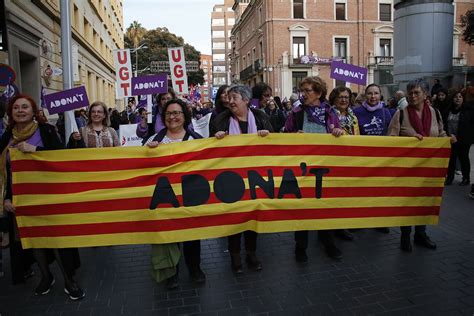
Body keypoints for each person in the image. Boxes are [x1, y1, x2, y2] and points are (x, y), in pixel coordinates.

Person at [0, 94, 84, 299]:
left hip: (50, 197)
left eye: (25, 107)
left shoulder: (46, 130)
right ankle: (46, 276)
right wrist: (5, 199)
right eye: (16, 107)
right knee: (33, 240)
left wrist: (35, 150)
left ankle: (69, 281)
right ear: (11, 112)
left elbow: (60, 159)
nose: (20, 110)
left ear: (33, 111)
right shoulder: (6, 137)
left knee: (56, 239)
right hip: (21, 199)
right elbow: (4, 172)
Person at [210, 84, 273, 274]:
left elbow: (275, 141)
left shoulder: (261, 118)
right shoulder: (220, 120)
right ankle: (235, 257)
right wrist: (216, 138)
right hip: (231, 178)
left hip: (256, 177)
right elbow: (209, 148)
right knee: (234, 216)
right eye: (228, 98)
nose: (230, 101)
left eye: (234, 97)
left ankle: (251, 253)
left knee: (253, 215)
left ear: (246, 100)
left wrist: (266, 135)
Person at [144, 99, 205, 289]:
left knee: (192, 236)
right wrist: (147, 153)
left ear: (185, 116)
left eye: (177, 113)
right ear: (164, 117)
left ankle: (194, 268)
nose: (173, 117)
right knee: (169, 237)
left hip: (189, 197)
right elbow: (142, 169)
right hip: (165, 199)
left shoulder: (196, 140)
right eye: (169, 113)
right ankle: (171, 271)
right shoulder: (154, 140)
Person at [284, 77, 345, 261]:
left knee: (325, 207)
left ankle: (329, 243)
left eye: (308, 90)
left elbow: (339, 133)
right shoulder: (296, 112)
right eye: (302, 90)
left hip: (324, 168)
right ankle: (300, 247)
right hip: (302, 169)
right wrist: (294, 136)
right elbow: (284, 136)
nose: (303, 94)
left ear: (318, 93)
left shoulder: (329, 113)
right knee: (302, 208)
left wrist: (338, 132)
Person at [387, 78, 447, 252]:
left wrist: (448, 139)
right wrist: (410, 143)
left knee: (424, 202)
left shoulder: (435, 113)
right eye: (410, 92)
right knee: (407, 203)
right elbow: (390, 140)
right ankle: (405, 236)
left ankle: (421, 234)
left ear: (425, 94)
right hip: (407, 170)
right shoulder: (401, 114)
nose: (412, 96)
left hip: (429, 169)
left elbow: (441, 133)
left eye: (417, 92)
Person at [444, 89, 474, 186]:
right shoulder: (448, 110)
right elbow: (444, 124)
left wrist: (460, 137)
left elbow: (469, 126)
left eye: (460, 97)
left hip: (464, 140)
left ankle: (466, 178)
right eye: (456, 97)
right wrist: (449, 134)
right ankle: (450, 177)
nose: (458, 99)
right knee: (451, 159)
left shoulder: (468, 110)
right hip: (450, 139)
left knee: (463, 158)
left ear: (463, 99)